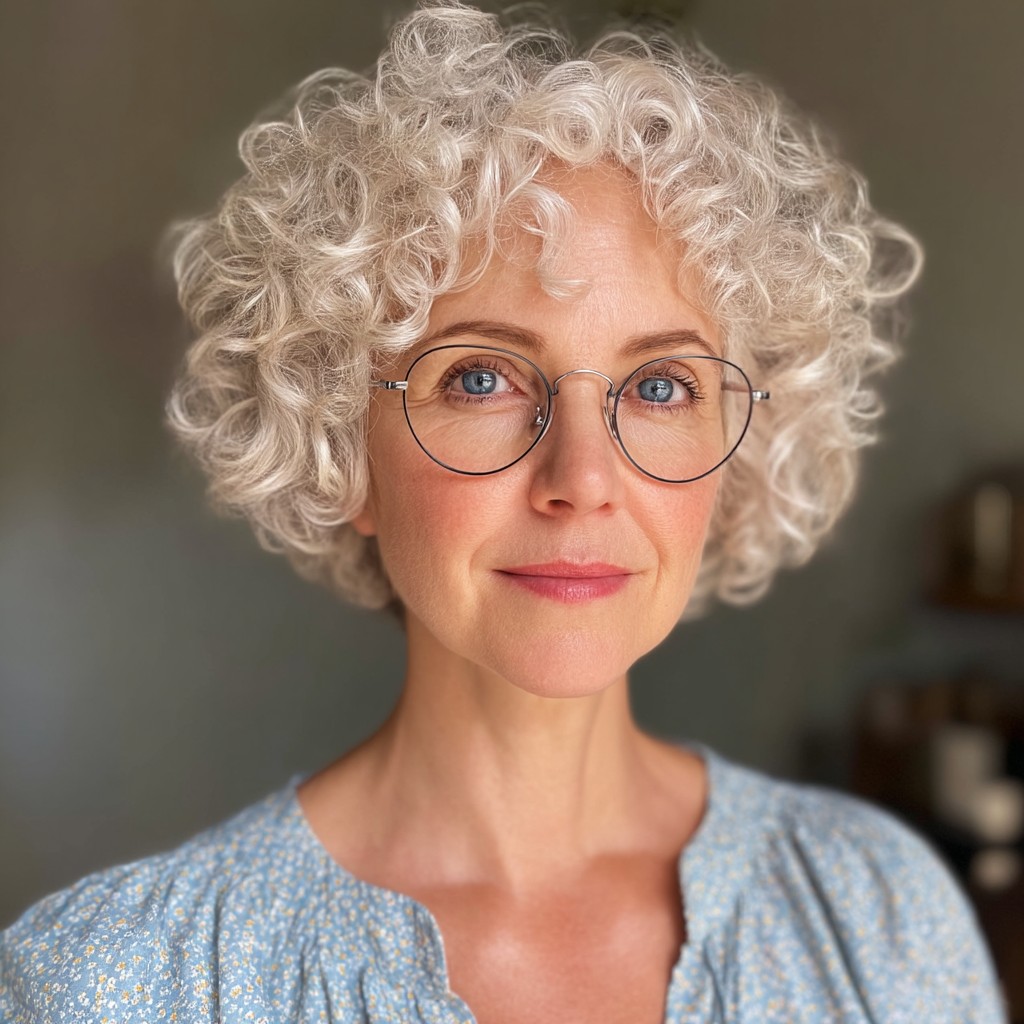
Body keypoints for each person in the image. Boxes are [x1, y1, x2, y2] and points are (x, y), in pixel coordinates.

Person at [0, 3, 1007, 1022]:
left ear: (736, 451)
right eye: (481, 377)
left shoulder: (882, 916)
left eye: (659, 387)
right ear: (343, 444)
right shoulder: (116, 983)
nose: (581, 475)